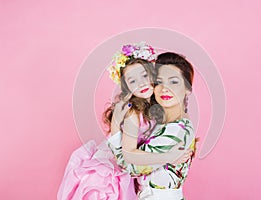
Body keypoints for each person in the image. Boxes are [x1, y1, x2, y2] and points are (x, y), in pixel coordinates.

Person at [57, 43, 190, 200]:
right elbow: (127, 154)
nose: (140, 83)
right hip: (115, 165)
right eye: (132, 81)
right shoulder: (133, 112)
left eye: (144, 76)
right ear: (126, 87)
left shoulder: (156, 105)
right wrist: (169, 156)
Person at [108, 52, 197, 199]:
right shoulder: (158, 122)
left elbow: (129, 166)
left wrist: (115, 126)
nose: (164, 89)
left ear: (187, 88)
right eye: (159, 82)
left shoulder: (177, 130)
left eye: (174, 82)